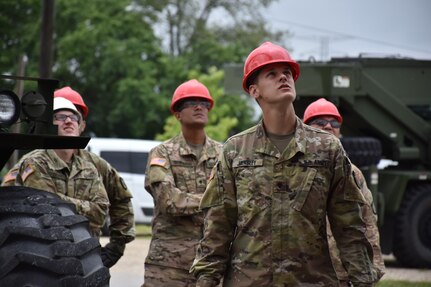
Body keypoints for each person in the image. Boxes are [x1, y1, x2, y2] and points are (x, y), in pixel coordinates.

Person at [190, 42, 378, 286]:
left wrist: (363, 281)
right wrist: (206, 281)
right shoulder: (235, 151)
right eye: (272, 74)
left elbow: (350, 227)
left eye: (287, 73)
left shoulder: (327, 149)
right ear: (254, 90)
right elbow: (217, 228)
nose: (283, 78)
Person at [2, 87, 135, 268]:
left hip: (88, 255)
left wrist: (116, 246)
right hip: (43, 255)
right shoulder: (33, 163)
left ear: (82, 124)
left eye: (74, 117)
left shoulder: (92, 166)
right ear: (47, 122)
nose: (68, 121)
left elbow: (105, 209)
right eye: (60, 117)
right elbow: (41, 211)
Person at [142, 79, 222, 286]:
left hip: (212, 262)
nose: (199, 107)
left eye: (204, 103)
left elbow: (235, 200)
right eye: (191, 102)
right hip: (168, 264)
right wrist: (214, 200)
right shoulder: (161, 153)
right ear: (177, 114)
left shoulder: (224, 154)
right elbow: (168, 201)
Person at [303, 98, 385, 283]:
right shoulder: (293, 170)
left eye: (334, 123)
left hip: (340, 275)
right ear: (305, 128)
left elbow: (367, 223)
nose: (328, 126)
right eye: (320, 122)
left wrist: (374, 268)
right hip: (303, 275)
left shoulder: (353, 173)